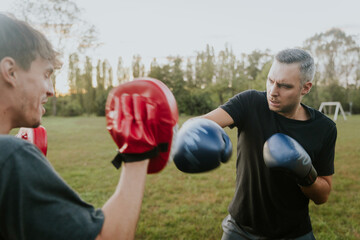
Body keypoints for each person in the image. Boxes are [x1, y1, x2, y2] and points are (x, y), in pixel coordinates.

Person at [0, 12, 172, 240]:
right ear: (11, 72)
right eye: (46, 74)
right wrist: (137, 154)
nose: (51, 90)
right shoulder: (11, 157)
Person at [173, 48, 337, 239]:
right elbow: (199, 123)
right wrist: (201, 133)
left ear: (306, 88)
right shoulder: (250, 102)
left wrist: (304, 171)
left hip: (293, 233)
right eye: (270, 81)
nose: (273, 91)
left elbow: (322, 196)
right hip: (239, 229)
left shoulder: (324, 128)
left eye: (284, 86)